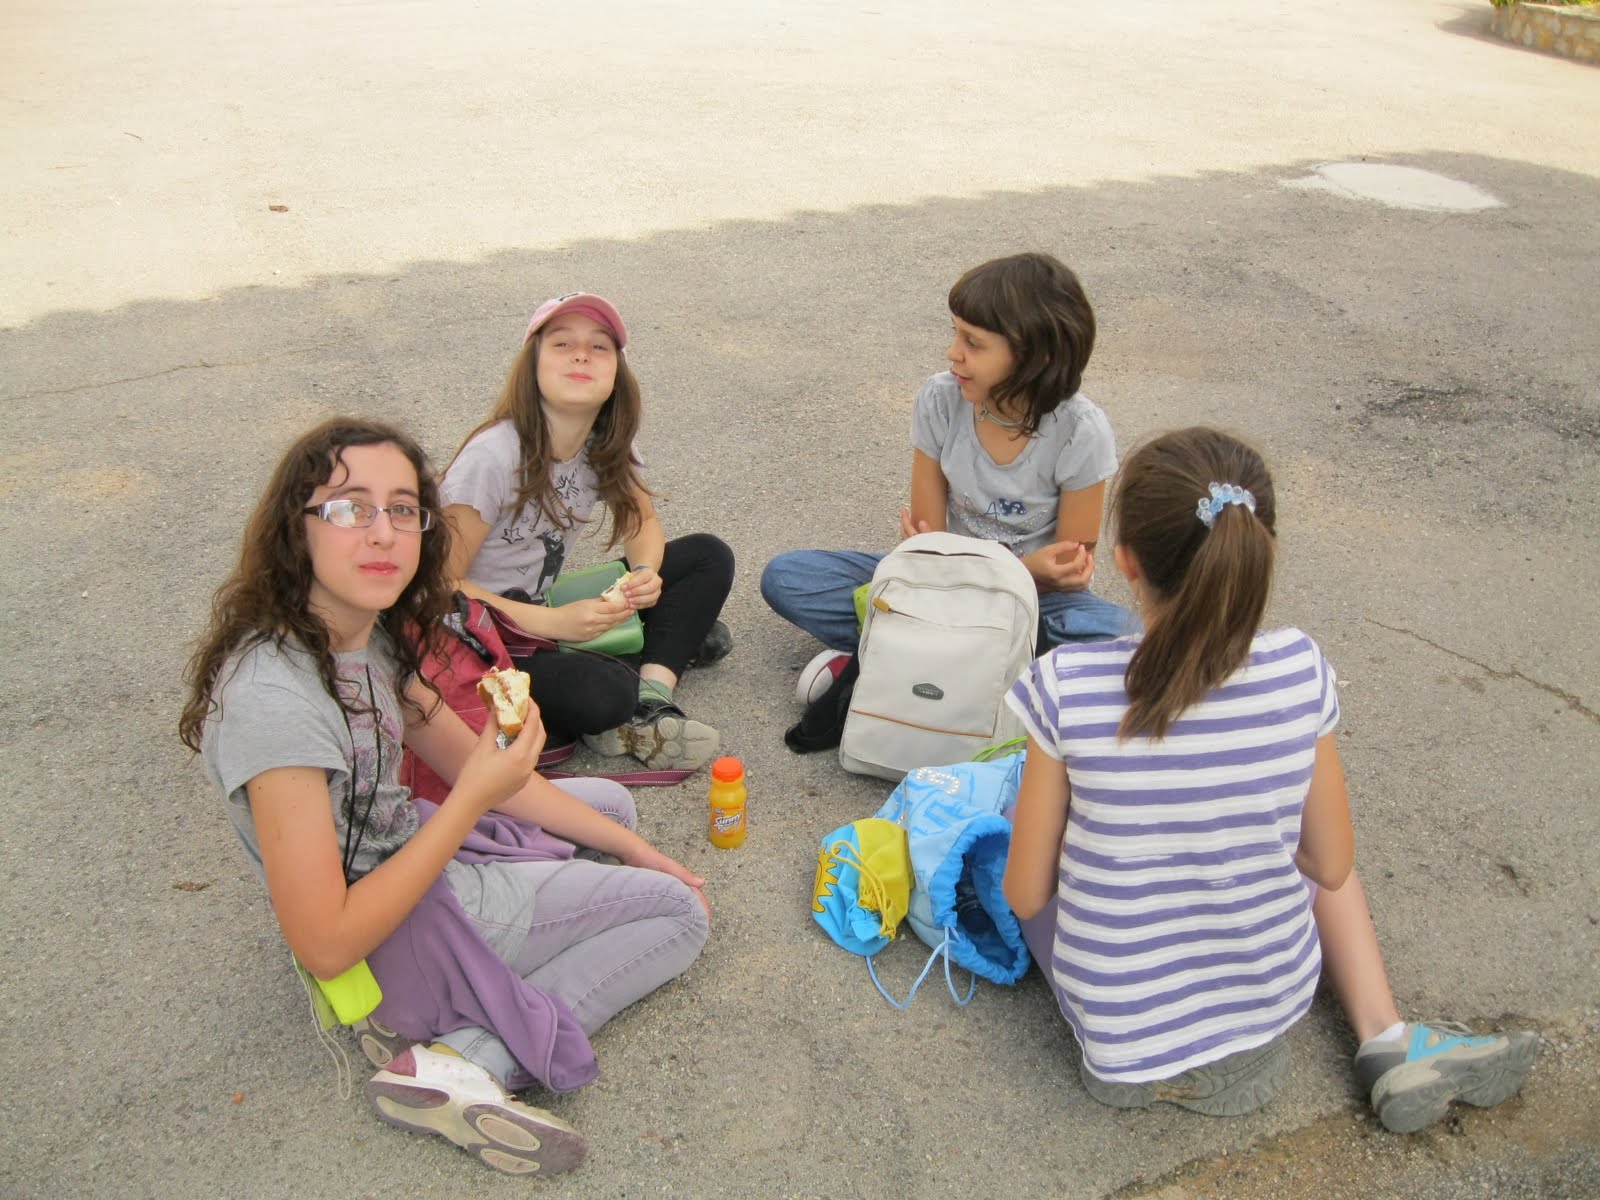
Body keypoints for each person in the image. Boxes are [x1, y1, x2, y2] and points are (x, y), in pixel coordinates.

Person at [179, 417, 711, 1175]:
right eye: (350, 507)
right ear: (297, 529)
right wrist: (473, 800)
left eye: (403, 509)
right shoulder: (275, 706)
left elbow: (474, 767)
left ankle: (506, 952)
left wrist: (631, 847)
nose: (383, 532)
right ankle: (464, 1058)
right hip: (394, 924)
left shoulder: (364, 631)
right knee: (679, 915)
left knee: (612, 811)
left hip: (409, 849)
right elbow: (325, 943)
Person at [1002, 426, 1539, 1128]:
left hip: (1115, 1050)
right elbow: (1330, 864)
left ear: (1126, 561)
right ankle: (1385, 1035)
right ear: (1265, 550)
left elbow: (1026, 894)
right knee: (1301, 832)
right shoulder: (1299, 670)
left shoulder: (1064, 686)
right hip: (1266, 1018)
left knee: (1023, 816)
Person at [762, 252, 1132, 669]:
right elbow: (928, 540)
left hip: (1037, 601)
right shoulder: (940, 399)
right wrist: (1007, 569)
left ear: (1036, 356)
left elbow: (1067, 570)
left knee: (1129, 638)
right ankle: (997, 665)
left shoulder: (1080, 430)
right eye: (955, 334)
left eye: (973, 343)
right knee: (788, 576)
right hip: (940, 586)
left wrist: (1004, 574)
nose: (953, 352)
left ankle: (908, 650)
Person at [442, 292, 734, 773]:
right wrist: (554, 625)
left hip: (543, 609)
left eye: (599, 347)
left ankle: (651, 697)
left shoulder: (605, 441)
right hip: (477, 637)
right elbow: (439, 586)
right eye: (562, 344)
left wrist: (644, 573)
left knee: (708, 555)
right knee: (602, 693)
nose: (581, 355)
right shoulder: (492, 457)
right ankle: (643, 668)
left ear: (617, 372)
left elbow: (641, 521)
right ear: (532, 364)